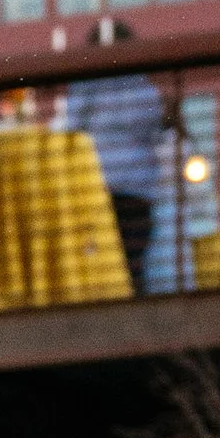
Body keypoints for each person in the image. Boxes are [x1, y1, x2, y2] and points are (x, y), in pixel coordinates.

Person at [60, 16, 167, 291]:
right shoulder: (143, 86)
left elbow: (72, 125)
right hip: (137, 188)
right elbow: (154, 126)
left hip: (96, 187)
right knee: (134, 265)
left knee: (100, 266)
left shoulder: (85, 83)